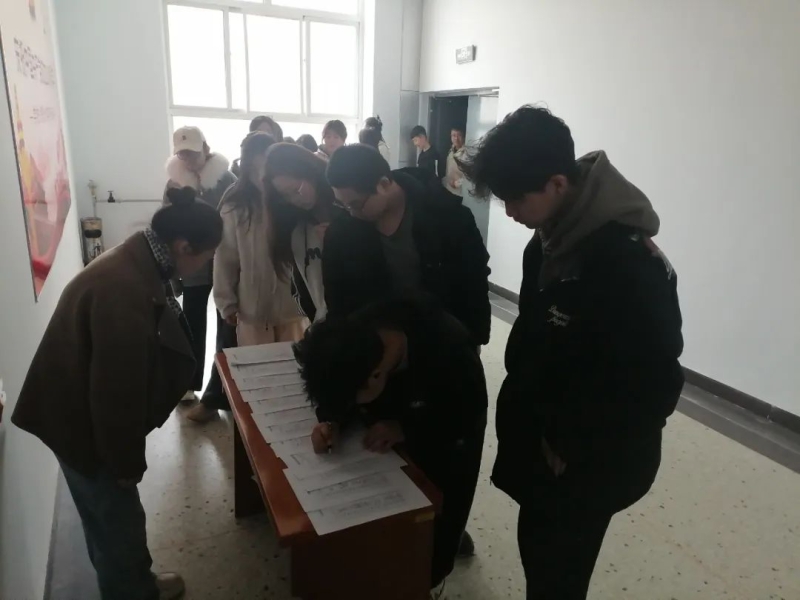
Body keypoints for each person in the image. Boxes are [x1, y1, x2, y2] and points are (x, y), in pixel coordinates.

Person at [457, 105, 684, 600]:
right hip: (545, 444)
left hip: (588, 461)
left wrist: (573, 448)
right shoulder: (546, 242)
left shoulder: (628, 264)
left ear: (558, 184)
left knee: (559, 572)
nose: (509, 212)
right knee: (539, 553)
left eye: (516, 199)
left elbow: (654, 385)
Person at [12, 187, 224, 600]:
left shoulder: (139, 258)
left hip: (71, 412)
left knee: (104, 522)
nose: (208, 262)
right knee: (118, 524)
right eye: (208, 254)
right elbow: (115, 395)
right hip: (83, 425)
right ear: (183, 246)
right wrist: (125, 462)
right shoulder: (123, 290)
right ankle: (133, 591)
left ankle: (131, 583)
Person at [293, 297, 487, 600]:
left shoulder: (450, 350)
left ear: (376, 375)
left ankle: (430, 583)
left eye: (355, 398)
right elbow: (341, 380)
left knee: (435, 530)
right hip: (391, 448)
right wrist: (332, 421)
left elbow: (465, 417)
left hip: (448, 440)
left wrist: (405, 428)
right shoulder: (357, 333)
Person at [324, 144, 491, 347]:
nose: (351, 213)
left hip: (444, 343)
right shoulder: (342, 231)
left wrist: (473, 336)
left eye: (356, 204)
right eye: (343, 205)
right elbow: (337, 297)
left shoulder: (448, 217)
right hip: (376, 348)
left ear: (384, 183)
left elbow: (473, 280)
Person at [185, 133, 301, 423]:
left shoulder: (291, 202)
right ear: (246, 167)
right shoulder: (235, 205)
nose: (262, 177)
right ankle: (258, 427)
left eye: (267, 169)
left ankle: (287, 425)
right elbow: (225, 257)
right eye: (255, 168)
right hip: (252, 308)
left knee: (291, 371)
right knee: (256, 374)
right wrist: (226, 301)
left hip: (292, 308)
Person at [165, 125, 236, 405]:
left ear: (206, 148)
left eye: (192, 153)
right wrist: (173, 272)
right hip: (191, 264)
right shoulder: (174, 182)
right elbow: (167, 226)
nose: (188, 159)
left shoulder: (226, 179)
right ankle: (189, 383)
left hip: (223, 262)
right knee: (192, 322)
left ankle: (220, 390)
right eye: (182, 154)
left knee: (225, 326)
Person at [263, 143, 340, 322]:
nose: (295, 200)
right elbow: (302, 286)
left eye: (296, 190)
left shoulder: (348, 209)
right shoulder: (297, 229)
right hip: (323, 326)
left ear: (311, 174)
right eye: (285, 196)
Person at [443, 127, 467, 199]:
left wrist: (457, 184)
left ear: (463, 137)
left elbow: (468, 176)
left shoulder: (466, 153)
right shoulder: (451, 151)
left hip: (460, 193)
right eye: (453, 135)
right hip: (449, 189)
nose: (456, 138)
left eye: (459, 135)